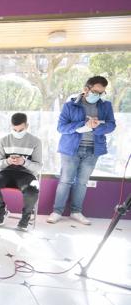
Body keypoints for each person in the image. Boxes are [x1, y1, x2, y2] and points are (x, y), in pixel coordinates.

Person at [48, 76, 116, 225]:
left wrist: (98, 126)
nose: (98, 96)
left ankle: (76, 212)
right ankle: (57, 212)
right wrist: (83, 125)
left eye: (101, 93)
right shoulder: (70, 105)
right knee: (65, 181)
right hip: (71, 149)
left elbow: (111, 125)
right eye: (95, 92)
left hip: (93, 149)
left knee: (82, 182)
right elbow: (61, 128)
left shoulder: (106, 106)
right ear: (86, 89)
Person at [0, 113, 42, 231]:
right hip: (7, 172)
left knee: (32, 191)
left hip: (27, 174)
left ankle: (26, 217)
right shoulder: (4, 140)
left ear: (27, 126)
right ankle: (2, 210)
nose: (17, 132)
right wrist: (8, 161)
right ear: (11, 126)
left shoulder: (35, 141)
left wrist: (24, 162)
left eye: (21, 129)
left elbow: (38, 167)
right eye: (14, 129)